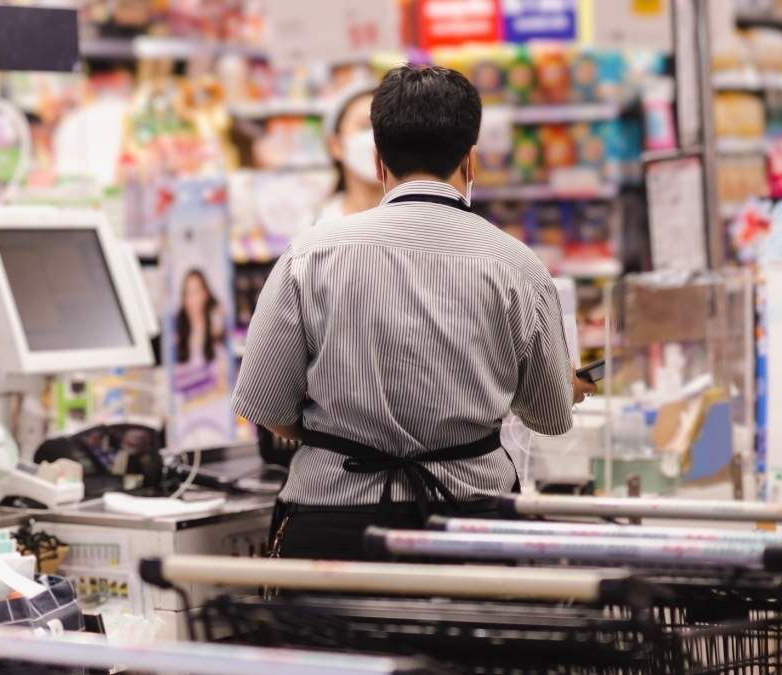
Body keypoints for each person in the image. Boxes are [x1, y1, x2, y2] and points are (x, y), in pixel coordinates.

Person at [232, 64, 596, 560]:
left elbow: (266, 406)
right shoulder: (517, 265)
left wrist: (339, 438)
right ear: (471, 161)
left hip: (333, 526)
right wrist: (563, 385)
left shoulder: (310, 255)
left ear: (379, 161)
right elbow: (551, 416)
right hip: (474, 526)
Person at [316, 82, 382, 221]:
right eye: (366, 126)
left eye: (387, 125)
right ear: (335, 146)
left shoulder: (421, 218)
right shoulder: (316, 223)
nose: (379, 137)